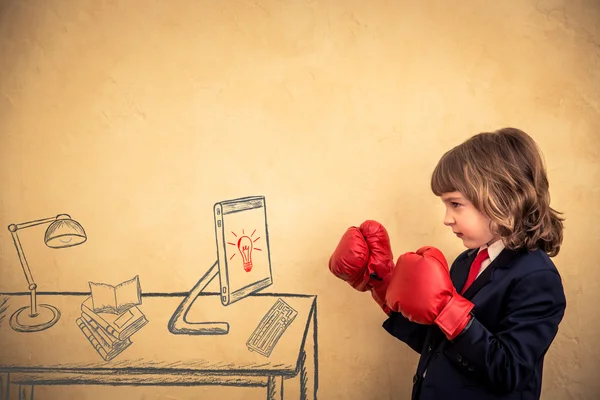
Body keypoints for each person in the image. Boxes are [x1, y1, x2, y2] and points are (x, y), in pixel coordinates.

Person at [328, 127, 567, 400]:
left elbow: (508, 371)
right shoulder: (466, 262)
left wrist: (449, 311)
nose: (446, 218)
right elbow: (438, 345)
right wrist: (381, 287)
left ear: (502, 198)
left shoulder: (536, 277)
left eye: (456, 204)